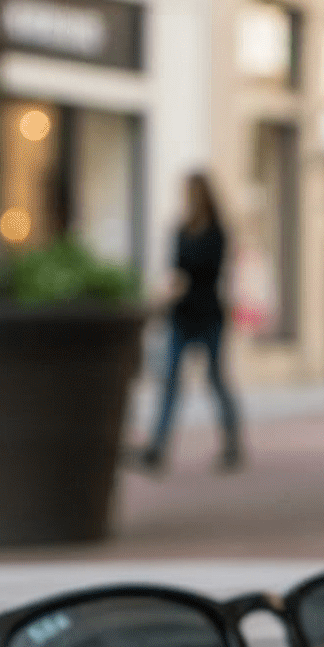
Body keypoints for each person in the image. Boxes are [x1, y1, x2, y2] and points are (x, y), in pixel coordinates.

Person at [137, 171, 241, 473]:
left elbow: (213, 273)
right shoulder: (180, 230)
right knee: (170, 383)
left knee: (216, 380)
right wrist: (161, 299)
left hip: (208, 314)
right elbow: (175, 273)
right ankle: (157, 447)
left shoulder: (217, 232)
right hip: (181, 316)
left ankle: (232, 443)